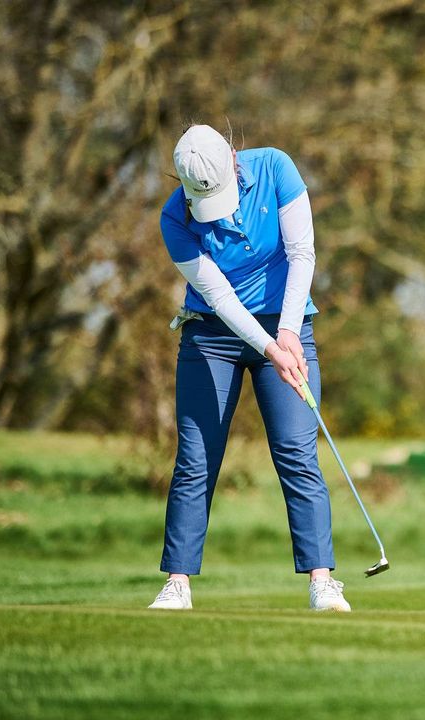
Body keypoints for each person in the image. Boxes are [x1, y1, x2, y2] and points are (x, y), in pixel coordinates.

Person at [147, 124, 351, 612]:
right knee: (196, 460)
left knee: (297, 452)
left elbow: (302, 253)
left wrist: (286, 333)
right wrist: (268, 345)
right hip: (212, 333)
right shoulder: (175, 218)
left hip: (286, 321)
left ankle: (322, 582)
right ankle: (177, 584)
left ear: (235, 164)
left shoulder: (276, 167)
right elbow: (217, 295)